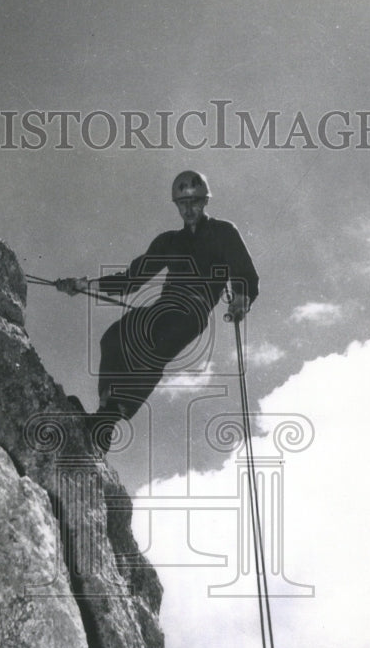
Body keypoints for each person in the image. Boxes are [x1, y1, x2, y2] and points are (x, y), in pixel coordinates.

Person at [56, 170, 259, 450]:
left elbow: (245, 272)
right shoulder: (168, 242)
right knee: (113, 337)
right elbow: (132, 279)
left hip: (192, 311)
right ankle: (106, 413)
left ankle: (107, 421)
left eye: (195, 202)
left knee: (153, 344)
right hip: (164, 305)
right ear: (176, 206)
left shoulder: (223, 232)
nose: (189, 209)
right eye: (182, 204)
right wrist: (85, 284)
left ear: (205, 202)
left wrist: (241, 296)